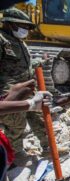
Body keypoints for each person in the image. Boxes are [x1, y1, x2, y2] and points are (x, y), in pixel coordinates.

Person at [0, 7, 52, 161]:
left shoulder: (19, 43)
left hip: (27, 89)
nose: (26, 30)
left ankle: (47, 147)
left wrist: (40, 61)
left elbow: (26, 64)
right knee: (16, 125)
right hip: (10, 93)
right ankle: (16, 155)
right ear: (11, 24)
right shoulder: (1, 40)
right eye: (23, 27)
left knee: (38, 118)